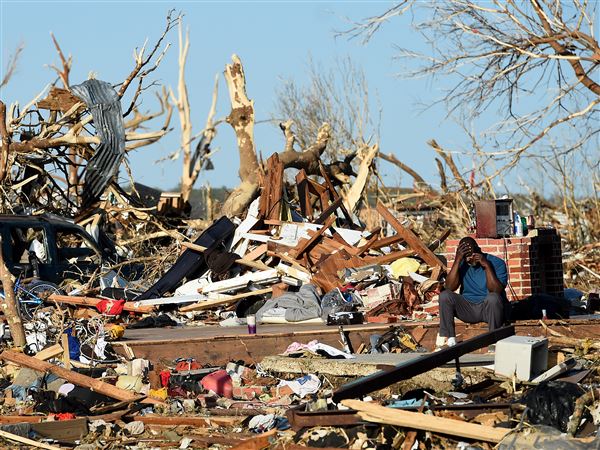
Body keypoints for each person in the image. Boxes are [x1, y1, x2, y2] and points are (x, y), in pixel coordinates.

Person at [437, 237, 508, 348]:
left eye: (472, 255)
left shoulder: (496, 263)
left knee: (493, 297)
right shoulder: (462, 263)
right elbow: (450, 287)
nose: (470, 259)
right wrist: (457, 260)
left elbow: (496, 290)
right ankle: (449, 339)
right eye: (466, 257)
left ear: (478, 250)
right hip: (468, 309)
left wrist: (486, 265)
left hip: (489, 309)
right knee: (445, 295)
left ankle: (493, 339)